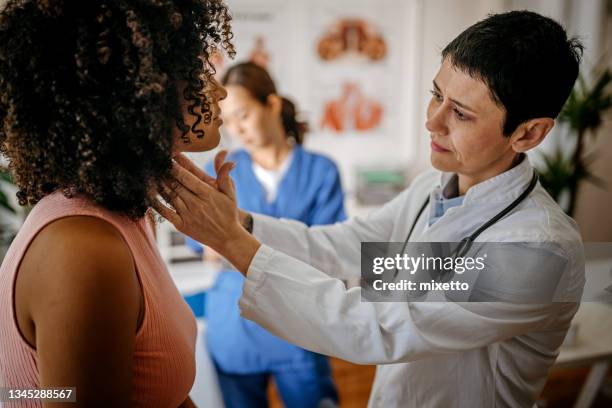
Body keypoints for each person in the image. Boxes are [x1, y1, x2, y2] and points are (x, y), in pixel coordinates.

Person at [156, 10, 586, 408]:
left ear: (528, 134)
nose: (432, 122)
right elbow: (348, 252)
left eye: (460, 113)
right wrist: (241, 222)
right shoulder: (431, 191)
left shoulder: (536, 249)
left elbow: (375, 326)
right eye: (436, 95)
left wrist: (231, 241)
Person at [0, 1, 234, 406]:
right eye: (198, 71)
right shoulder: (83, 248)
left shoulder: (125, 216)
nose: (219, 90)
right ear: (140, 93)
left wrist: (233, 234)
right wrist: (236, 238)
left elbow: (163, 392)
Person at [186, 62, 344, 408]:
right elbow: (201, 243)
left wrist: (233, 244)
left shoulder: (320, 170)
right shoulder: (222, 169)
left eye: (243, 114)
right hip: (235, 324)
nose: (237, 129)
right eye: (228, 121)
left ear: (271, 105)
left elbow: (331, 251)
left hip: (299, 323)